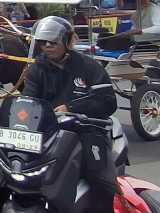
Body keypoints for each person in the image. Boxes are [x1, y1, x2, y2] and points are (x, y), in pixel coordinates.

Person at [22, 16, 118, 209]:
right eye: (43, 42)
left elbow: (108, 102)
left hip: (86, 132)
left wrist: (71, 107)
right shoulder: (36, 69)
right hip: (49, 134)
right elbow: (29, 101)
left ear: (67, 41)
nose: (48, 46)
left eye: (53, 41)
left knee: (105, 185)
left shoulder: (88, 67)